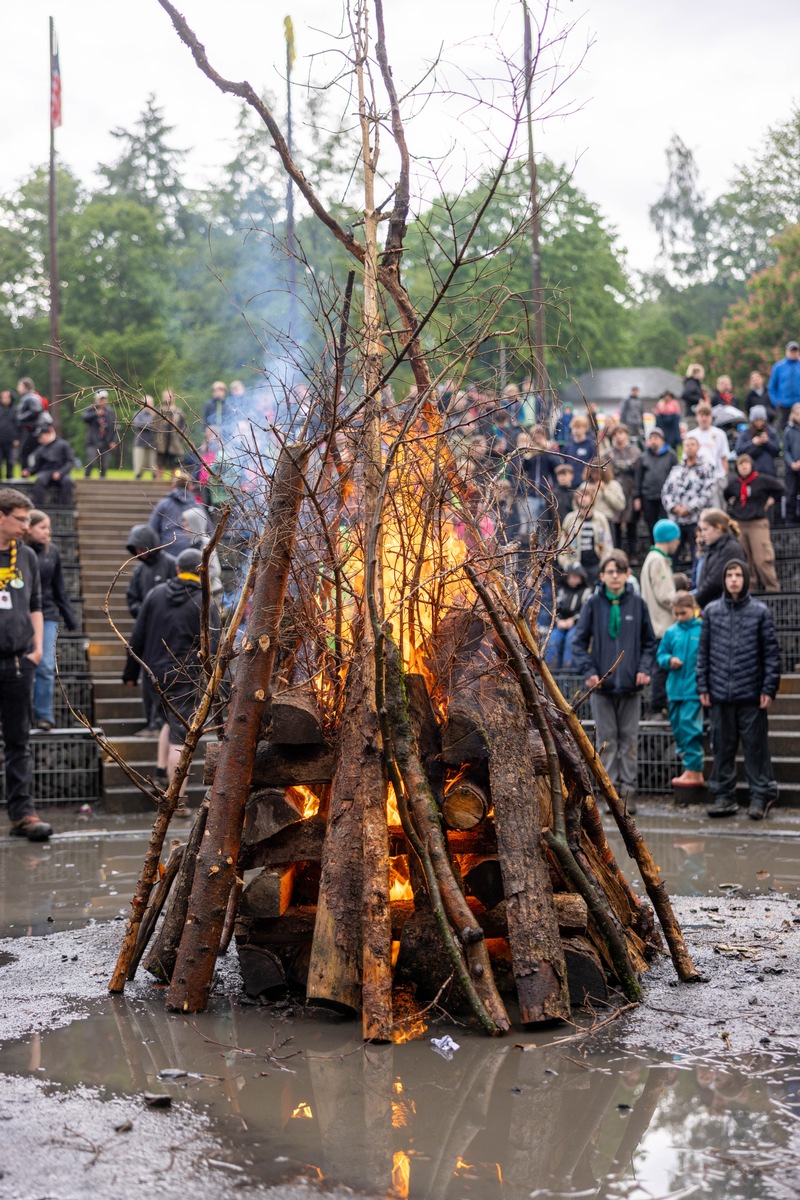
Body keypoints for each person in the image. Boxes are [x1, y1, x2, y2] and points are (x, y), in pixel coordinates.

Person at [123, 547, 220, 816]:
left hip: (154, 672)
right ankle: (175, 800)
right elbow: (213, 644)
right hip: (185, 675)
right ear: (202, 572)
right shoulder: (204, 600)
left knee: (169, 720)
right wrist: (216, 683)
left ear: (177, 569)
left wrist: (130, 672)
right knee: (182, 733)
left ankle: (159, 771)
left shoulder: (155, 595)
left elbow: (138, 635)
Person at [571, 550, 657, 814]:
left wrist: (644, 669)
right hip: (602, 688)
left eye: (620, 571)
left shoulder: (638, 604)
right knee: (606, 740)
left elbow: (649, 643)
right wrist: (589, 672)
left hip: (631, 686)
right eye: (610, 571)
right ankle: (611, 795)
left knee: (629, 739)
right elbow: (578, 642)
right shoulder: (593, 605)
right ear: (602, 576)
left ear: (627, 575)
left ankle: (628, 794)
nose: (615, 576)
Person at [697, 560, 780, 819]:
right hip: (720, 694)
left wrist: (769, 687)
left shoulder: (760, 611)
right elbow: (703, 653)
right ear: (724, 579)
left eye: (738, 575)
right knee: (722, 748)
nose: (734, 579)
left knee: (756, 748)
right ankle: (723, 797)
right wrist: (703, 685)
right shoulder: (711, 611)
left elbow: (771, 654)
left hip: (752, 695)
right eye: (729, 575)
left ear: (745, 578)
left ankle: (760, 797)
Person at [0, 489, 50, 840]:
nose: (26, 526)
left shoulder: (28, 556)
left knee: (19, 740)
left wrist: (37, 650)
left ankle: (23, 813)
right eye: (20, 519)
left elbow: (36, 603)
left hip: (19, 663)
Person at [26, 510, 78, 730]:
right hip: (20, 614)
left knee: (46, 665)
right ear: (30, 529)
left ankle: (44, 714)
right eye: (43, 528)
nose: (48, 532)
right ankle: (21, 713)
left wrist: (69, 616)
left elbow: (59, 587)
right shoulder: (18, 551)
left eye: (49, 527)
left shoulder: (52, 552)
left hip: (46, 614)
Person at [125, 523, 178, 735]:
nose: (139, 553)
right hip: (147, 633)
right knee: (147, 678)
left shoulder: (171, 565)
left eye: (141, 548)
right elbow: (132, 598)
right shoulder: (139, 571)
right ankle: (153, 722)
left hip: (169, 634)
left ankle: (164, 722)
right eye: (135, 549)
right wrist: (143, 613)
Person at [657, 591, 704, 787]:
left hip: (693, 689)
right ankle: (688, 768)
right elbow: (661, 654)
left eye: (682, 613)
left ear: (693, 610)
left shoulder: (702, 630)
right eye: (676, 614)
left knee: (689, 726)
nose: (679, 617)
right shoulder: (671, 632)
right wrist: (668, 660)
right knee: (678, 727)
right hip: (675, 689)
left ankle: (694, 769)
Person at [723, 453, 783, 592]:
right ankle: (749, 591)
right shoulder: (735, 484)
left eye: (746, 464)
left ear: (751, 465)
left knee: (762, 559)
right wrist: (732, 501)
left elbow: (780, 489)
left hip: (757, 523)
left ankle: (772, 589)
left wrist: (771, 500)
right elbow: (726, 494)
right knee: (744, 560)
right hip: (740, 524)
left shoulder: (762, 480)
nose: (743, 467)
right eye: (740, 464)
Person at [639, 518, 681, 716]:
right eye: (676, 538)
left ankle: (658, 707)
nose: (678, 543)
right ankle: (658, 708)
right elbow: (665, 595)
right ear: (670, 538)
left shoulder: (653, 558)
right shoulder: (658, 560)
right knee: (660, 669)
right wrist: (683, 600)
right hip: (661, 625)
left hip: (656, 623)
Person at [661, 435, 716, 567]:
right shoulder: (677, 469)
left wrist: (690, 508)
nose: (689, 447)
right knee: (670, 558)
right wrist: (674, 507)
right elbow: (665, 491)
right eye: (687, 445)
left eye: (692, 444)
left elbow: (708, 491)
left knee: (699, 555)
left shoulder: (706, 468)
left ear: (698, 447)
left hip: (696, 521)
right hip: (676, 521)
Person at [557, 482, 614, 587]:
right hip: (576, 568)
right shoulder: (570, 519)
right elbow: (562, 547)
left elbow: (608, 543)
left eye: (586, 495)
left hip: (597, 566)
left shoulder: (601, 519)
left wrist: (604, 563)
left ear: (592, 498)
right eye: (580, 496)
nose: (583, 499)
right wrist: (568, 565)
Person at [149, 469, 213, 557]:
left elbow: (152, 528)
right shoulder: (197, 506)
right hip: (192, 550)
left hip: (168, 548)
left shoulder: (164, 504)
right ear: (190, 487)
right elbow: (209, 529)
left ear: (173, 486)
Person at [693, 509, 744, 610]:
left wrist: (694, 601)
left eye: (705, 529)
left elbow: (715, 582)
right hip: (709, 607)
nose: (702, 534)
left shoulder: (731, 548)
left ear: (718, 528)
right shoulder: (712, 547)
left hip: (724, 609)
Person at [544, 561, 591, 670]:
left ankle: (569, 670)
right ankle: (552, 670)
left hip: (578, 626)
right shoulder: (561, 590)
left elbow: (585, 611)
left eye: (576, 577)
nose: (573, 580)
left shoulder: (586, 592)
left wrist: (573, 621)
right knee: (553, 638)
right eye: (570, 577)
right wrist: (558, 621)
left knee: (571, 639)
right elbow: (555, 608)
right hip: (561, 624)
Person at [634, 428, 678, 539]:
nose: (653, 441)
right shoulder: (643, 457)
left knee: (665, 522)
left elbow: (676, 476)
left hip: (665, 496)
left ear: (662, 440)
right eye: (651, 438)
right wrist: (637, 497)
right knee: (650, 523)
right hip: (648, 495)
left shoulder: (671, 455)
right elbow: (638, 477)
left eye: (656, 438)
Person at [607, 424, 641, 559]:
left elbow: (635, 465)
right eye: (615, 434)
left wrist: (617, 465)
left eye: (621, 433)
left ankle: (633, 554)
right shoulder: (608, 452)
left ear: (626, 435)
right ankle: (617, 554)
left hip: (631, 491)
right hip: (614, 493)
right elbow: (606, 467)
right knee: (615, 525)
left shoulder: (635, 451)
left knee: (632, 524)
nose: (618, 436)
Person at [26, 415, 75, 506]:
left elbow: (70, 461)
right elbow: (37, 466)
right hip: (46, 471)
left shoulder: (63, 445)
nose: (39, 440)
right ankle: (39, 507)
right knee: (39, 480)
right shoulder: (40, 449)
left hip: (61, 471)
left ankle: (65, 508)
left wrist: (60, 472)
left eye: (41, 437)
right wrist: (29, 471)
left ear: (48, 434)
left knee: (67, 482)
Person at [691, 402, 730, 506]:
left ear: (711, 416)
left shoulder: (720, 434)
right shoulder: (691, 435)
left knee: (716, 512)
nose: (704, 419)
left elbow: (724, 458)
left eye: (707, 415)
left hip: (715, 478)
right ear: (697, 417)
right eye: (701, 415)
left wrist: (723, 477)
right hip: (697, 478)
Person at [735, 406, 780, 477]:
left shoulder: (771, 433)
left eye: (761, 420)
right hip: (751, 473)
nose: (759, 423)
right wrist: (752, 443)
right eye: (756, 420)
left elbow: (777, 451)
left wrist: (767, 441)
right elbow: (739, 451)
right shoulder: (745, 434)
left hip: (769, 472)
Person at [82, 390, 118, 477]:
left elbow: (115, 427)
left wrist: (113, 440)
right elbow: (84, 418)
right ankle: (86, 480)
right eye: (100, 399)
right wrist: (96, 414)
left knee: (104, 465)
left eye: (104, 399)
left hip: (106, 442)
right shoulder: (91, 409)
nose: (102, 401)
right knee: (91, 461)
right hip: (93, 441)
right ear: (96, 400)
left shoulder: (110, 411)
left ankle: (103, 484)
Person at [768, 340, 800, 430]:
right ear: (787, 352)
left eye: (795, 351)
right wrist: (776, 402)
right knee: (784, 427)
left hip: (798, 403)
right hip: (784, 404)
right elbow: (771, 387)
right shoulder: (778, 367)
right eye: (791, 351)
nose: (793, 353)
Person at [15, 377, 45, 469]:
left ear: (25, 386)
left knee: (25, 453)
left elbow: (36, 410)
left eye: (19, 386)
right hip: (30, 430)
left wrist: (21, 417)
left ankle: (26, 476)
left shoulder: (31, 397)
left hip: (34, 431)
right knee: (26, 453)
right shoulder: (28, 397)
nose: (18, 388)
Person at [156, 389, 188, 475]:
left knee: (174, 466)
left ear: (173, 397)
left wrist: (180, 438)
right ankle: (159, 485)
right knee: (160, 464)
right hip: (161, 443)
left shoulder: (179, 412)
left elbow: (184, 427)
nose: (167, 398)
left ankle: (174, 486)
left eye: (168, 396)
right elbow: (154, 426)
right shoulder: (159, 411)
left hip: (174, 443)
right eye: (165, 396)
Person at [562, 414, 596, 485]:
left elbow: (595, 464)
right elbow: (564, 464)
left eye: (578, 427)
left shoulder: (591, 445)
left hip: (586, 485)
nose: (575, 430)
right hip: (570, 484)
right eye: (574, 427)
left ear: (585, 428)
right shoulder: (568, 446)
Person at [132, 395, 160, 479]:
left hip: (152, 443)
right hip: (140, 442)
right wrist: (151, 424)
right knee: (139, 465)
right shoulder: (138, 414)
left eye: (150, 403)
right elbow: (138, 425)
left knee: (153, 465)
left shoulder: (156, 415)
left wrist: (150, 423)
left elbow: (158, 426)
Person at [782, 403, 800, 526]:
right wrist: (792, 463)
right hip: (792, 470)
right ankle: (790, 522)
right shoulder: (788, 430)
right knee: (791, 495)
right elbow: (785, 450)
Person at [0, 388, 18, 479]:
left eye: (7, 397)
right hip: (0, 440)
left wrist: (17, 438)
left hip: (10, 441)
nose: (5, 399)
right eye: (3, 397)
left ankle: (9, 481)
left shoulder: (15, 410)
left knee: (10, 462)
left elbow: (17, 426)